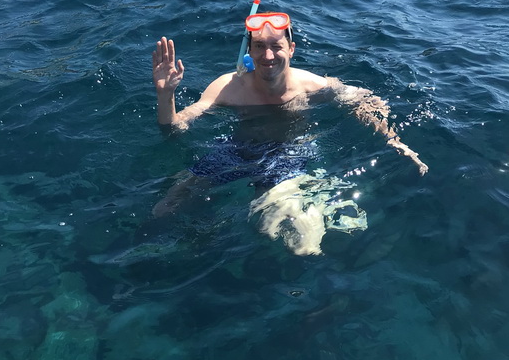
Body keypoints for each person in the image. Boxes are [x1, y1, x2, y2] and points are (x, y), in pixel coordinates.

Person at [152, 12, 427, 226]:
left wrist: (396, 142)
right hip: (235, 151)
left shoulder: (313, 86)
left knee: (282, 232)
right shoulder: (228, 87)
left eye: (276, 46)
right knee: (166, 207)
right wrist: (166, 95)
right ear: (249, 51)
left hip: (289, 154)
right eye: (259, 46)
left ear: (292, 49)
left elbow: (364, 102)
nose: (268, 55)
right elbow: (176, 128)